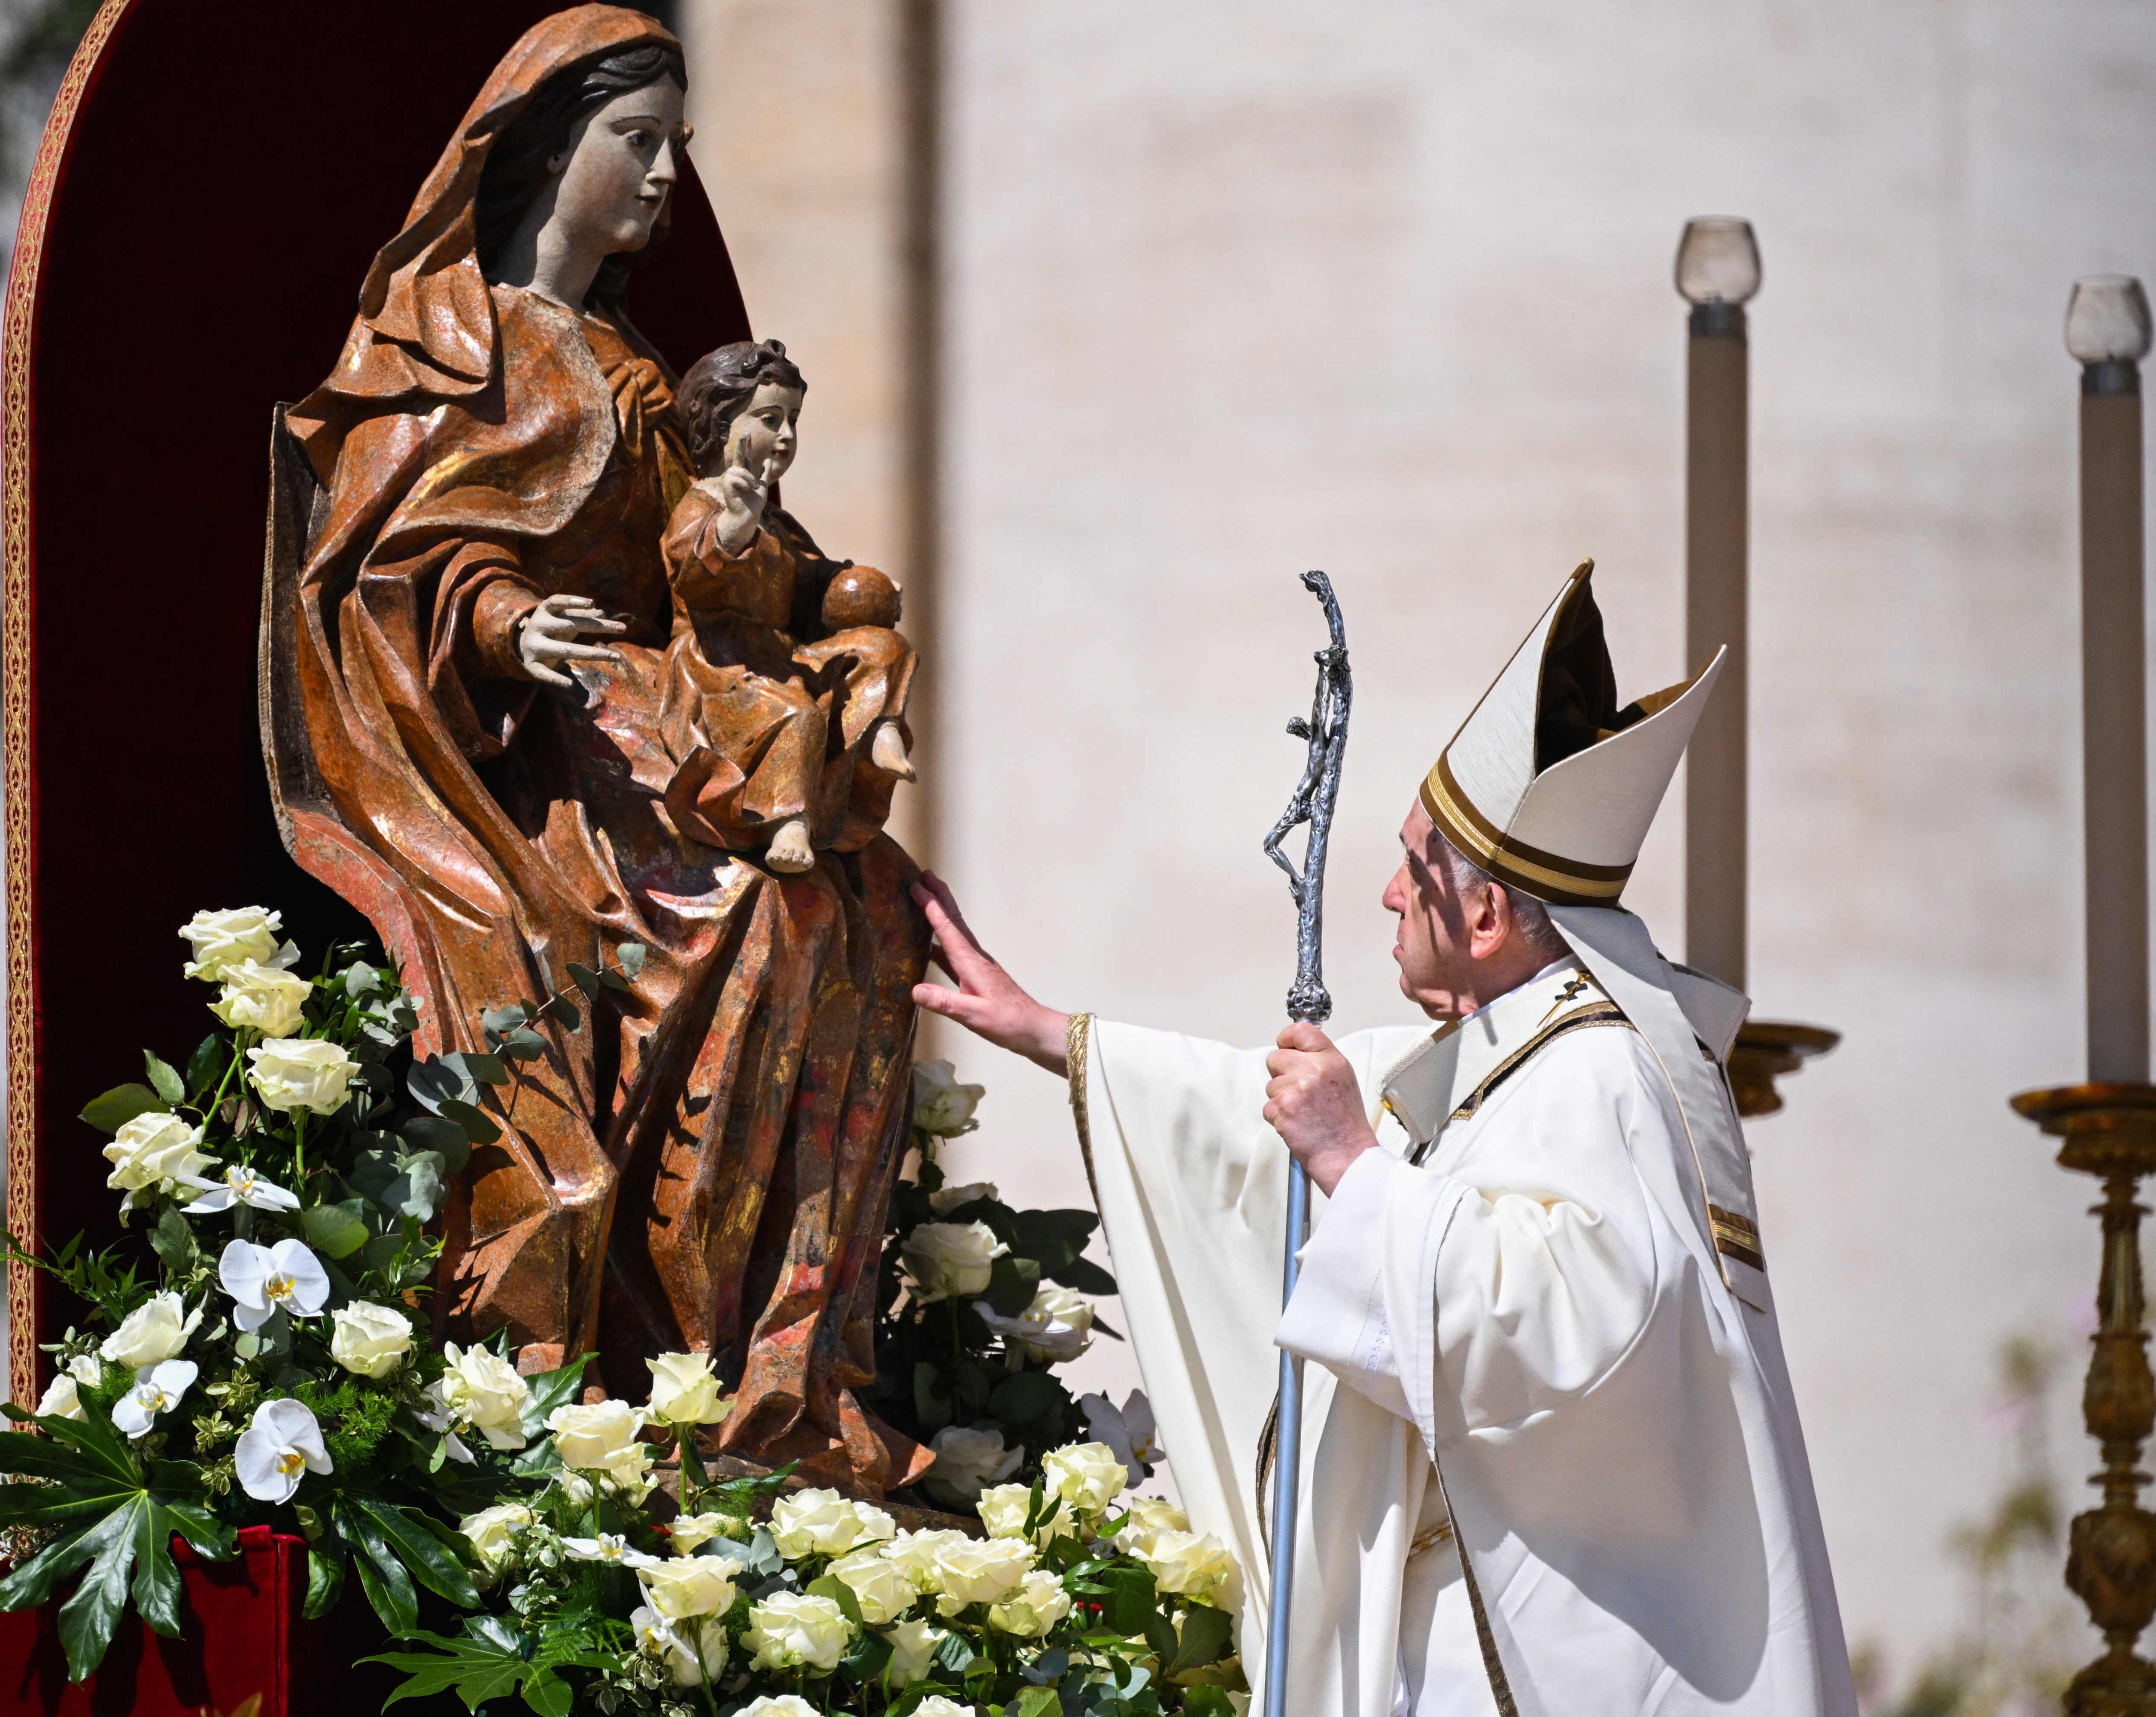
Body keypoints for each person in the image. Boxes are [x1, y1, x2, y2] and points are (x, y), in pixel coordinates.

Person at [911, 561, 1854, 1715]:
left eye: (1411, 867)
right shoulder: (1508, 1057)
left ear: (1487, 914)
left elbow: (1572, 1326)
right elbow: (1257, 1109)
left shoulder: (1597, 1074)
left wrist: (1351, 1167)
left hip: (1545, 1650)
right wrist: (1046, 1032)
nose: (1383, 898)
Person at [267, 6, 929, 1493]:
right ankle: (670, 1367)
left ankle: (786, 1378)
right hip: (535, 778)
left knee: (860, 903)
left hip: (670, 727)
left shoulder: (637, 368)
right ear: (544, 148)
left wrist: (831, 609)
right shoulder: (443, 345)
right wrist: (505, 628)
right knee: (754, 913)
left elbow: (719, 551)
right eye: (636, 143)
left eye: (676, 151)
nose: (662, 182)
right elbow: (384, 567)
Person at [649, 337, 918, 873]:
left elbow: (810, 582)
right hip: (721, 665)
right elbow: (692, 572)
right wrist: (733, 525)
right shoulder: (706, 502)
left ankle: (877, 731)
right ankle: (788, 823)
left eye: (793, 420)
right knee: (798, 711)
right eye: (770, 419)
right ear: (720, 425)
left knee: (882, 646)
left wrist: (859, 588)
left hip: (780, 653)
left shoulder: (777, 523)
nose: (787, 437)